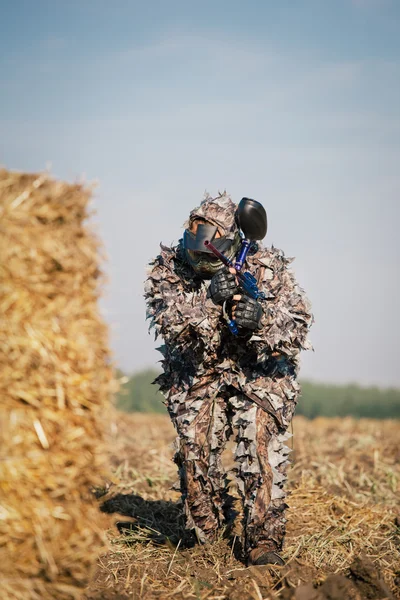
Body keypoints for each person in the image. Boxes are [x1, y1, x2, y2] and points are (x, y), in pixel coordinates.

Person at [144, 192, 313, 565]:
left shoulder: (265, 264)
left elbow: (298, 322)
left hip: (258, 373)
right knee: (195, 453)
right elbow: (170, 324)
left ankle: (263, 543)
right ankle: (209, 536)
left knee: (261, 451)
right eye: (196, 253)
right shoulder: (169, 267)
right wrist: (208, 302)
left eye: (210, 255)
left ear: (234, 243)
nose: (201, 262)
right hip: (198, 372)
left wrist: (260, 319)